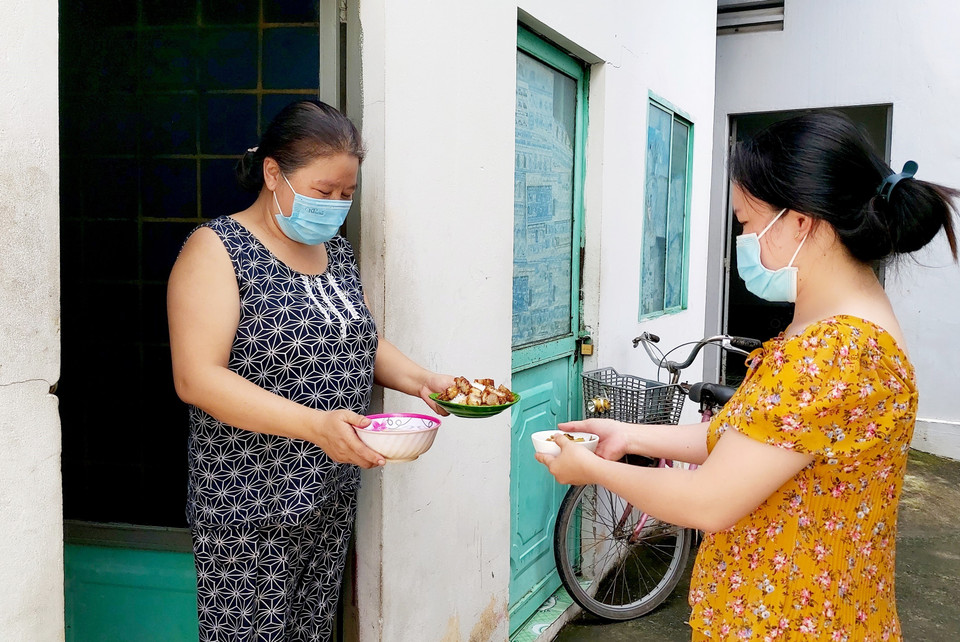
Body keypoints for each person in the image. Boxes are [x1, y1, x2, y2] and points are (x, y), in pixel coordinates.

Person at [537, 111, 959, 641]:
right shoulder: (849, 331)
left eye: (745, 222)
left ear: (800, 221)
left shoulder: (832, 350)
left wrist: (594, 471)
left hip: (785, 623)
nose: (743, 239)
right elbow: (751, 439)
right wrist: (631, 435)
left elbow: (709, 501)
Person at [167, 99, 454, 642]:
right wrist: (314, 425)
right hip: (249, 501)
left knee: (310, 632)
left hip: (329, 491)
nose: (336, 205)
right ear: (273, 173)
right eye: (323, 192)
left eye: (346, 194)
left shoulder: (333, 252)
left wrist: (423, 381)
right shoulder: (217, 250)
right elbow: (197, 377)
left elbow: (354, 336)